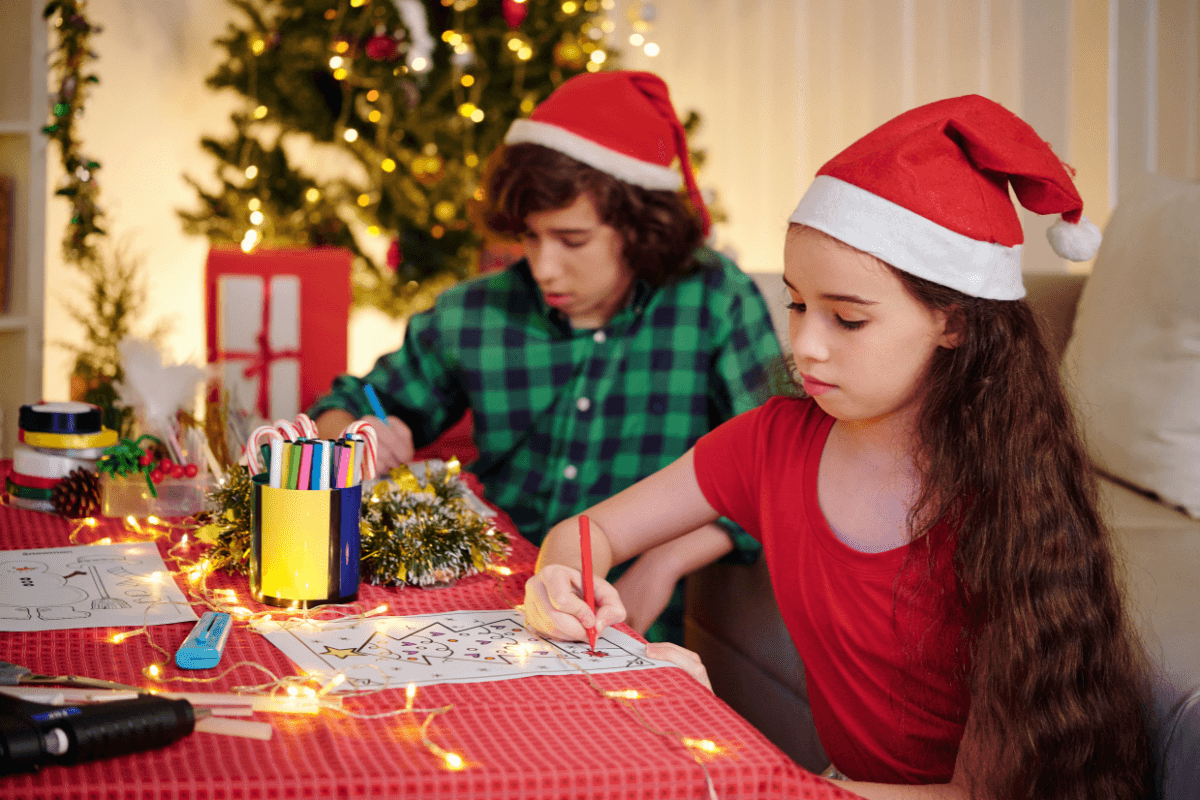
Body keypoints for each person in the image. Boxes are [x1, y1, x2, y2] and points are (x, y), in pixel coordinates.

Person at [523, 95, 1153, 800]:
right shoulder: (772, 442)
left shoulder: (1002, 508)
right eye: (796, 304)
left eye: (847, 319)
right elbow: (591, 530)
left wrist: (747, 773)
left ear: (953, 323)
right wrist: (561, 583)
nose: (806, 345)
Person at [310, 70, 783, 643]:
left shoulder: (714, 299)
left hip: (615, 620)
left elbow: (778, 467)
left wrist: (662, 564)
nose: (544, 268)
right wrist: (353, 432)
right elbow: (348, 404)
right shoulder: (479, 311)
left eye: (572, 240)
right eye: (530, 238)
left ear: (637, 226)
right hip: (482, 602)